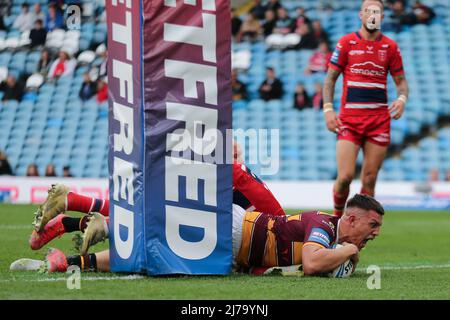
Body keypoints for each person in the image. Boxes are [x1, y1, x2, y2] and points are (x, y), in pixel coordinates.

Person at [27, 184, 383, 277]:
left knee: (153, 258)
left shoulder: (330, 234)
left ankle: (70, 260)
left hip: (232, 251)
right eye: (373, 225)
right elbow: (312, 263)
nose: (376, 234)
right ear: (351, 219)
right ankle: (75, 205)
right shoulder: (325, 225)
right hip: (230, 230)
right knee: (151, 225)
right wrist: (350, 252)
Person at [323, 0, 409, 216]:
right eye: (369, 11)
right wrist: (328, 109)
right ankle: (336, 220)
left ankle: (358, 228)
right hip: (349, 121)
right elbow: (330, 79)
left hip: (379, 122)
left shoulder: (390, 47)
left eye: (377, 11)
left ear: (382, 16)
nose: (372, 15)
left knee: (369, 178)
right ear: (360, 15)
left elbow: (401, 82)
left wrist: (401, 99)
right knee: (345, 177)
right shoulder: (346, 43)